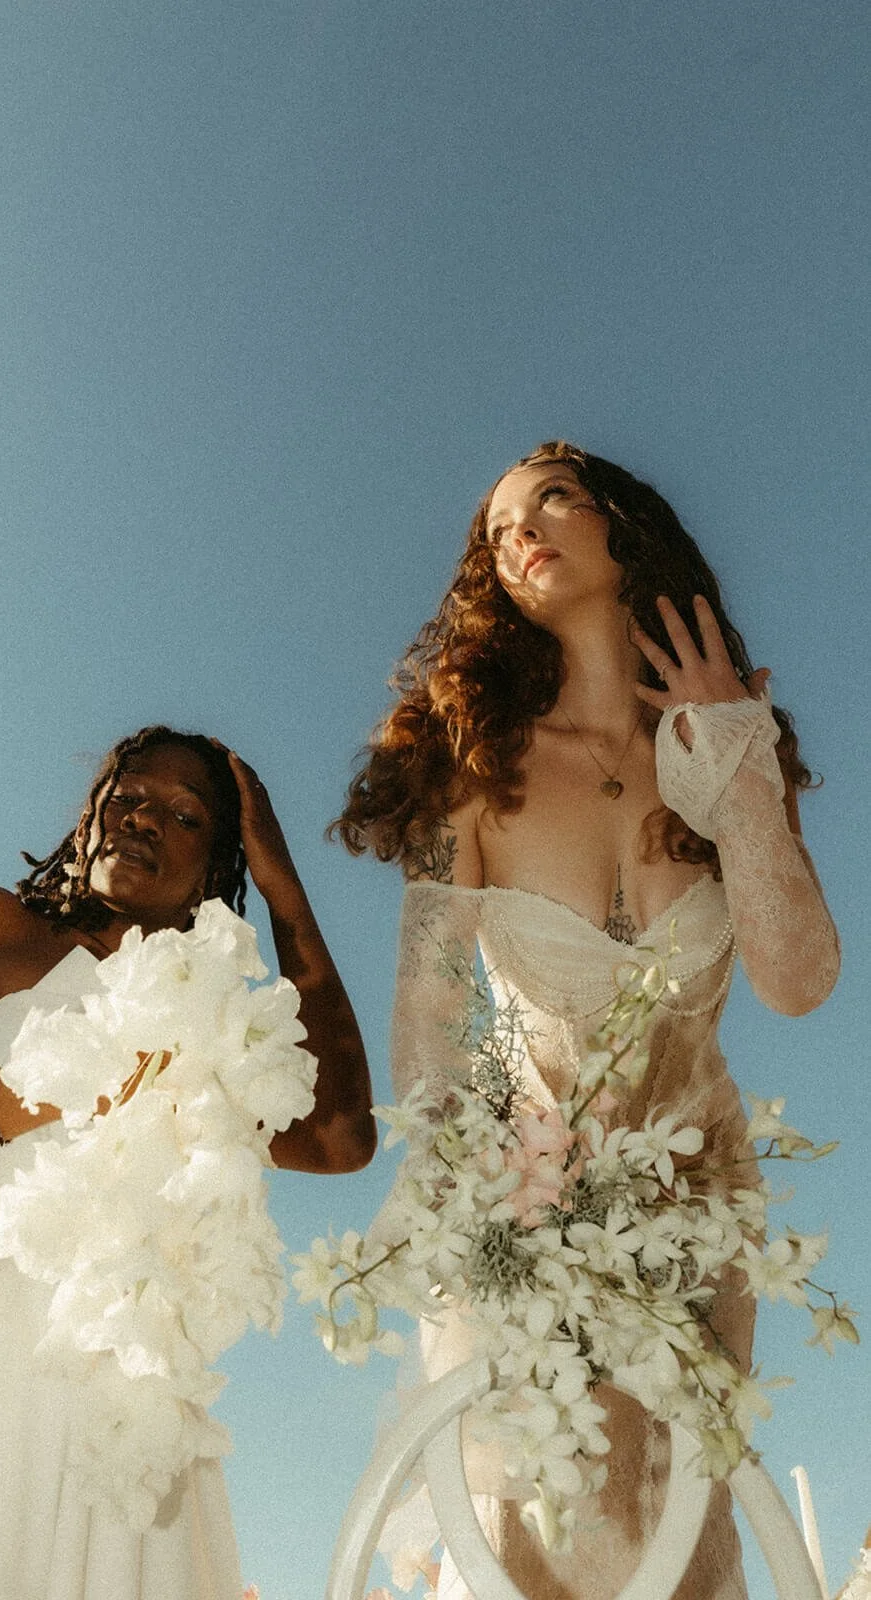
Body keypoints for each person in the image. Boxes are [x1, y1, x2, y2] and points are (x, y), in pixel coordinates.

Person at [334, 442, 839, 1600]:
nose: (520, 531)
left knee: (679, 1538)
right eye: (497, 527)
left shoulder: (732, 740)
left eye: (552, 498)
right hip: (523, 1193)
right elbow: (428, 1014)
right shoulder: (470, 766)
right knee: (536, 1527)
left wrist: (737, 771)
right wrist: (483, 1174)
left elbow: (798, 980)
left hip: (699, 1206)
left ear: (624, 526)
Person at [0, 723, 375, 1600]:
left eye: (185, 815)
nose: (144, 819)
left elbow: (339, 1138)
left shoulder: (213, 1025)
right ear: (90, 818)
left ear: (219, 864)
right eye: (130, 796)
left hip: (126, 1403)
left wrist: (285, 892)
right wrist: (39, 1091)